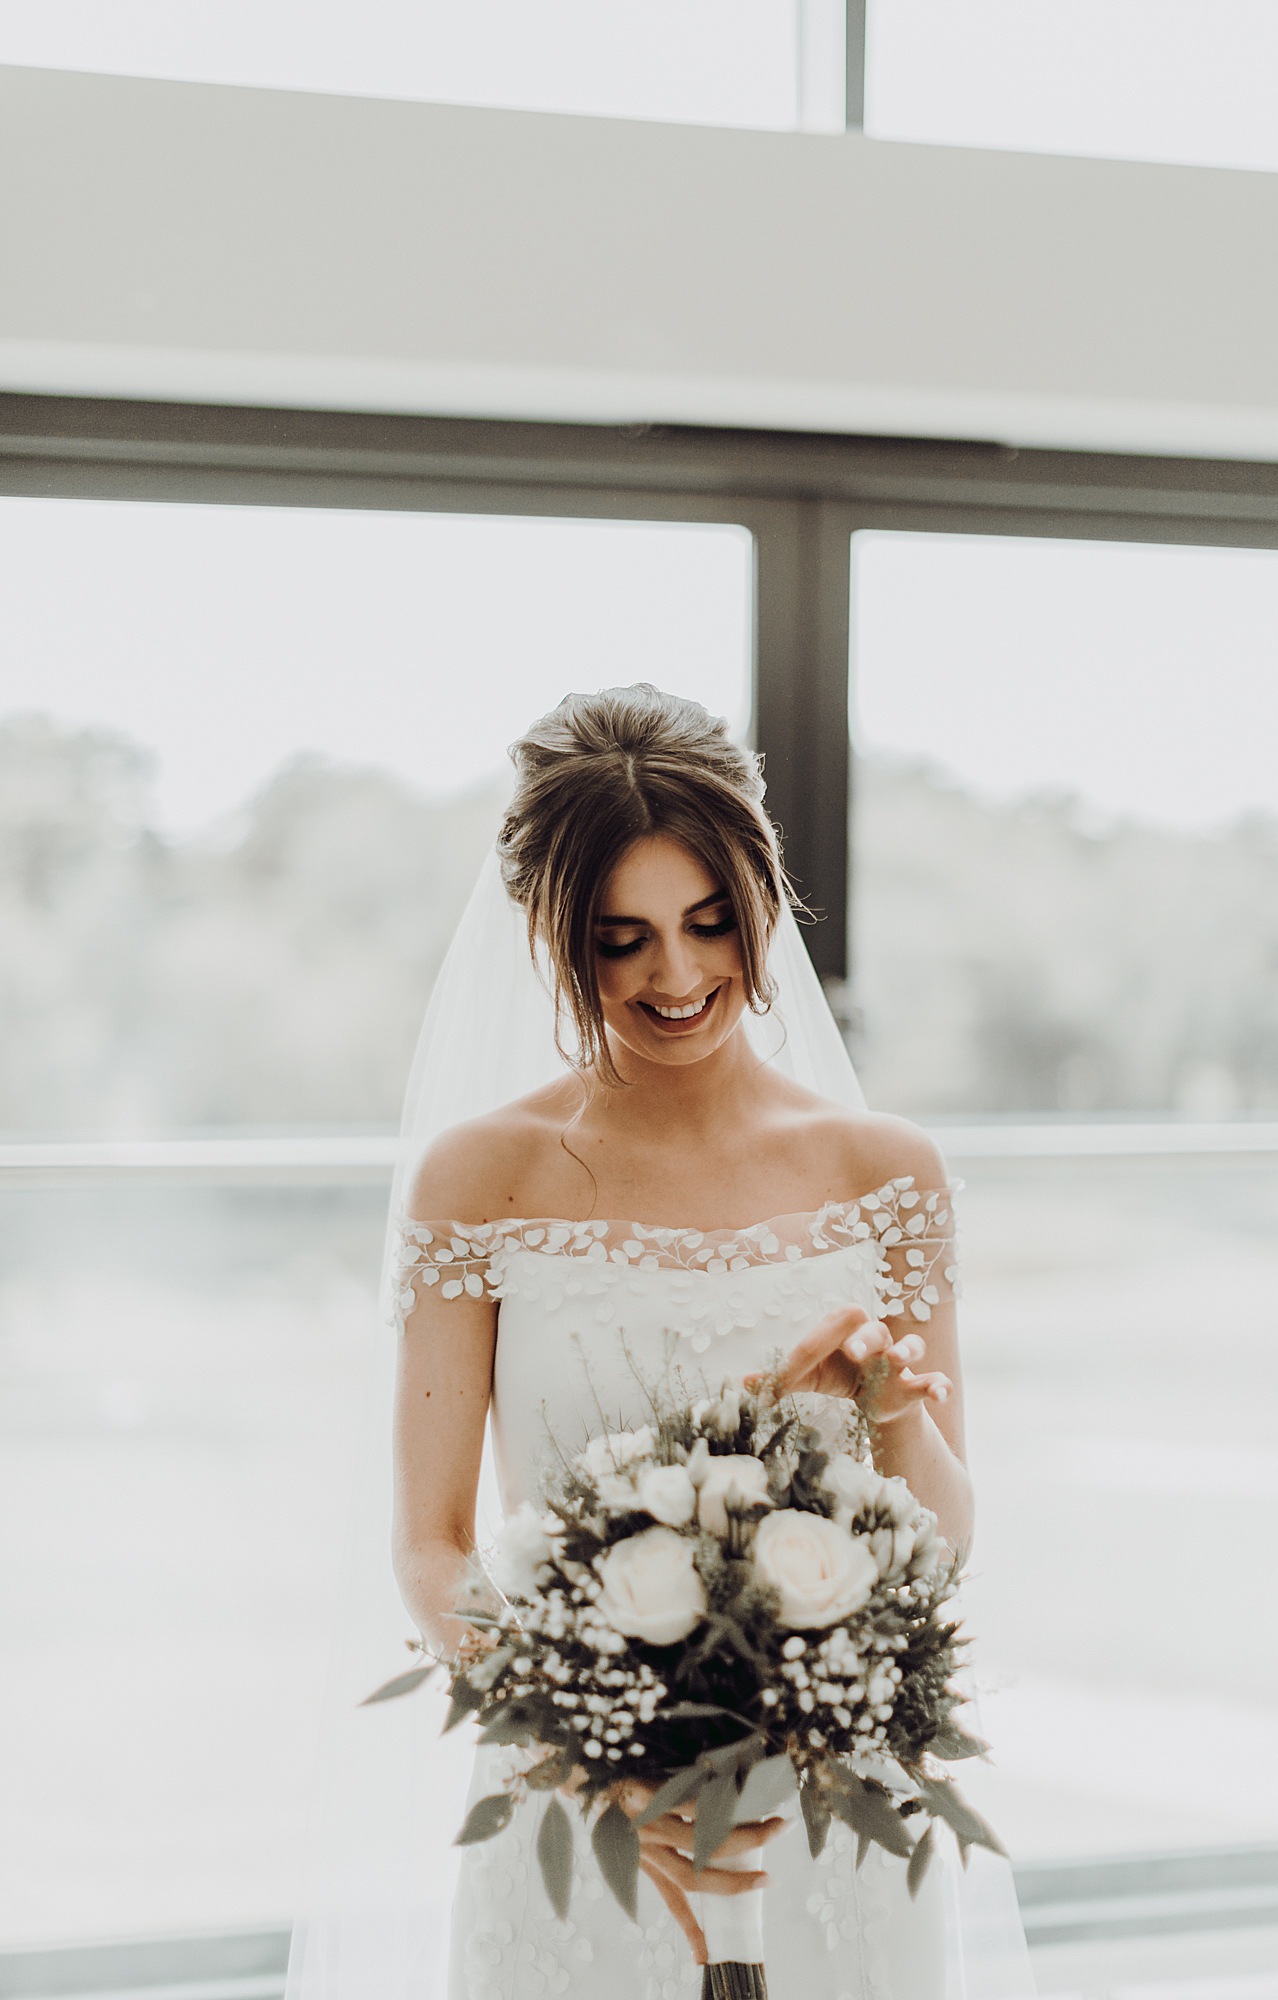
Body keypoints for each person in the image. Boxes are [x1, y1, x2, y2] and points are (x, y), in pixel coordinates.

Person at [387, 685, 1018, 2000]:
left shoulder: (881, 1168)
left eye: (707, 923)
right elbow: (435, 1545)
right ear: (546, 934)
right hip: (587, 1810)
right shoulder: (479, 1176)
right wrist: (594, 1757)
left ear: (760, 900)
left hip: (835, 1807)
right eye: (619, 941)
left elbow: (941, 1545)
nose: (674, 977)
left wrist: (890, 1407)